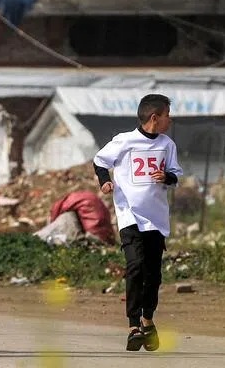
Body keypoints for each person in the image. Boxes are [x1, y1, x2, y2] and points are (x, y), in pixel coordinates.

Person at [93, 93, 182, 352]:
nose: (170, 120)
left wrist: (165, 176)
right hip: (129, 215)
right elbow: (100, 161)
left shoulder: (167, 145)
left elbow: (176, 175)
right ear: (155, 117)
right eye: (167, 115)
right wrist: (104, 181)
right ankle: (133, 325)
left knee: (153, 272)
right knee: (135, 266)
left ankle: (148, 320)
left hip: (156, 217)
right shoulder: (124, 141)